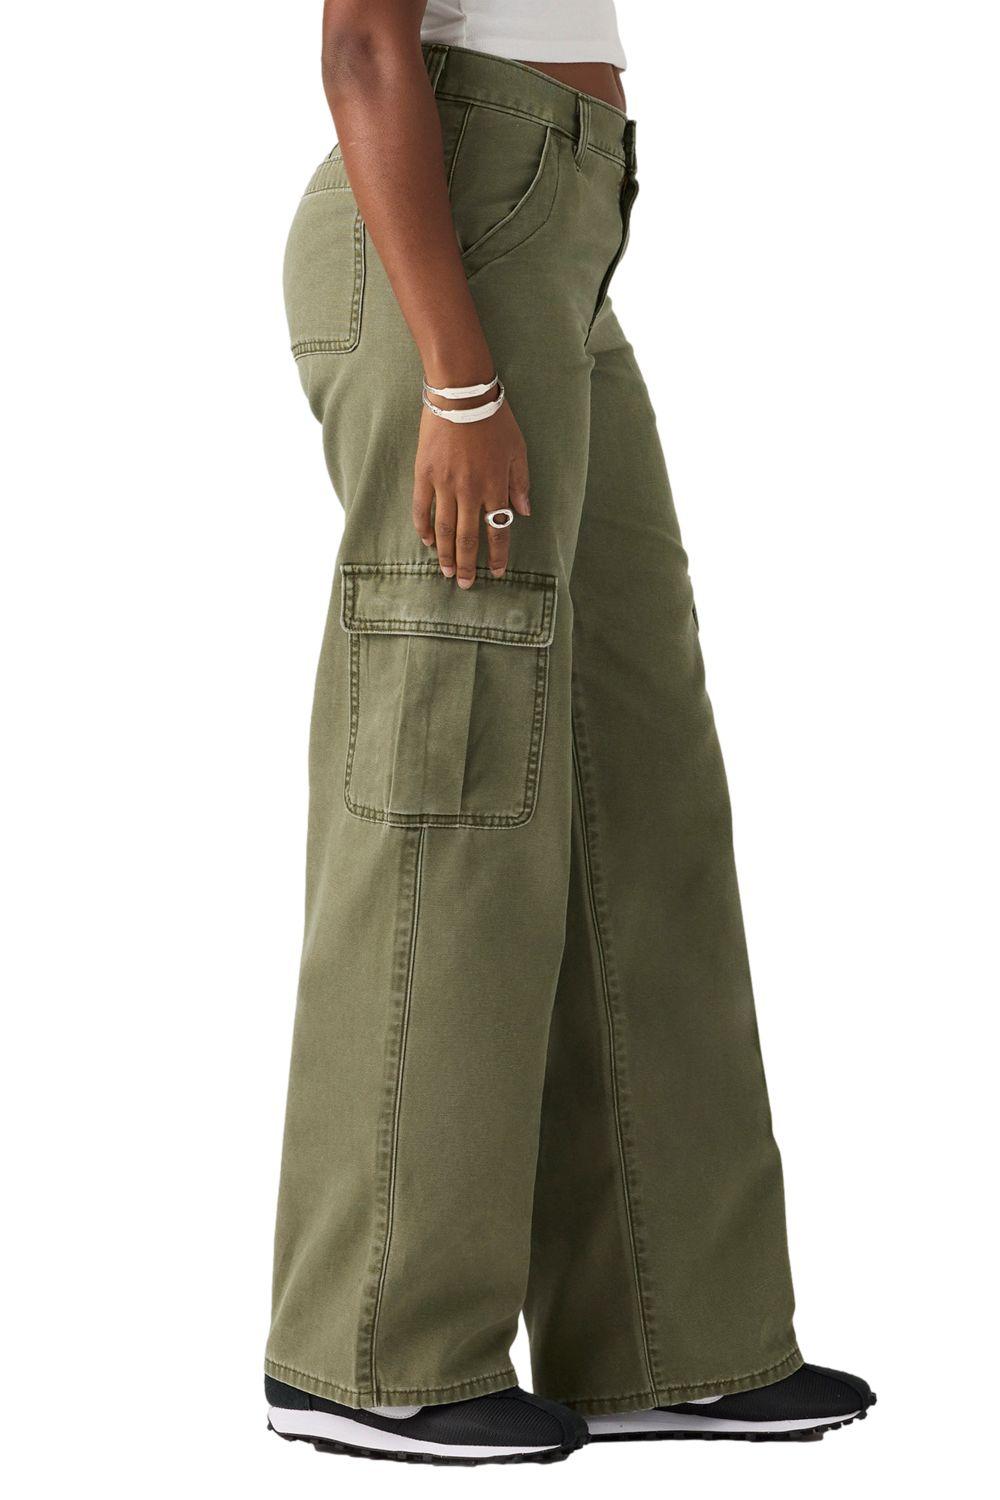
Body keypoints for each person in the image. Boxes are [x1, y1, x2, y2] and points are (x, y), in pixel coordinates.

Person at [264, 0, 874, 1465]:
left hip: (559, 239)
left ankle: (667, 1333)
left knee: (633, 773)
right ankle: (373, 1352)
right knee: (454, 767)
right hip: (452, 230)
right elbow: (360, 44)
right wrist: (458, 378)